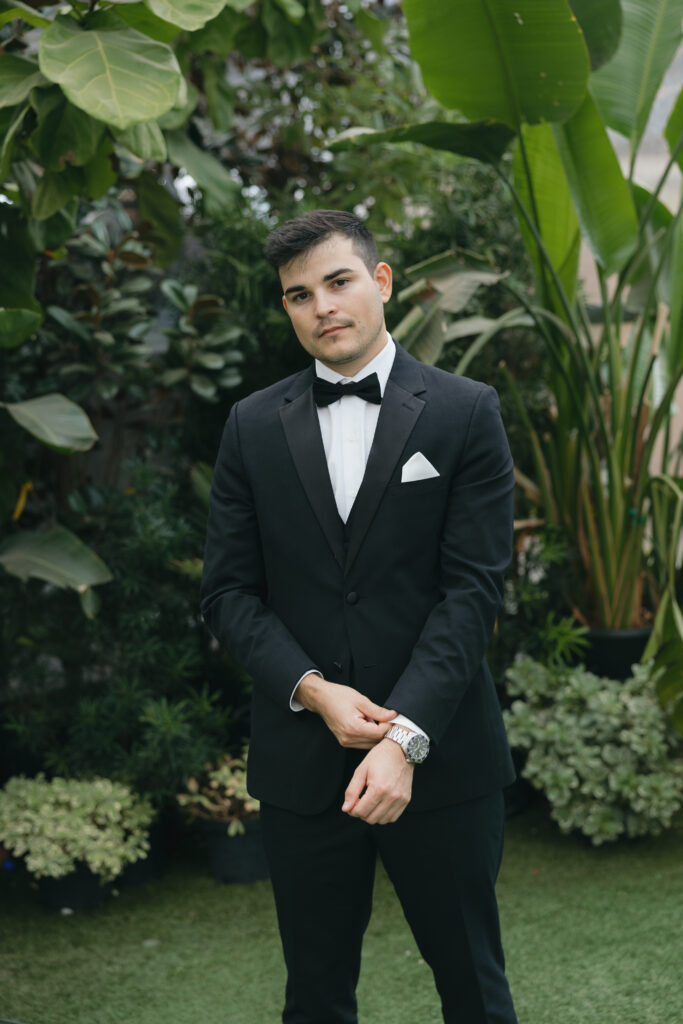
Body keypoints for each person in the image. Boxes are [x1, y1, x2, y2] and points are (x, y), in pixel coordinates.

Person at [200, 209, 519, 1024]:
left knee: (474, 990)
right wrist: (312, 691)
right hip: (303, 768)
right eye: (298, 294)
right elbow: (228, 594)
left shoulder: (465, 410)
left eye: (337, 282)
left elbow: (472, 591)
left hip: (442, 763)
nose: (322, 307)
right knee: (313, 997)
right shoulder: (250, 425)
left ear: (380, 281)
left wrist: (403, 738)